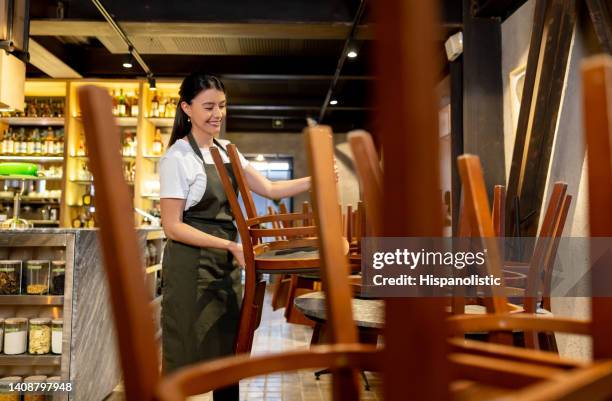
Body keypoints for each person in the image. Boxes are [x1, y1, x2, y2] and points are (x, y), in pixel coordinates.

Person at [159, 73, 312, 401]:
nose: (218, 114)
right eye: (208, 107)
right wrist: (230, 244)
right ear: (187, 108)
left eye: (223, 106)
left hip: (225, 267)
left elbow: (269, 189)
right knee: (186, 357)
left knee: (228, 356)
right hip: (190, 269)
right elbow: (172, 226)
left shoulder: (228, 150)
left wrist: (317, 179)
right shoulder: (177, 158)